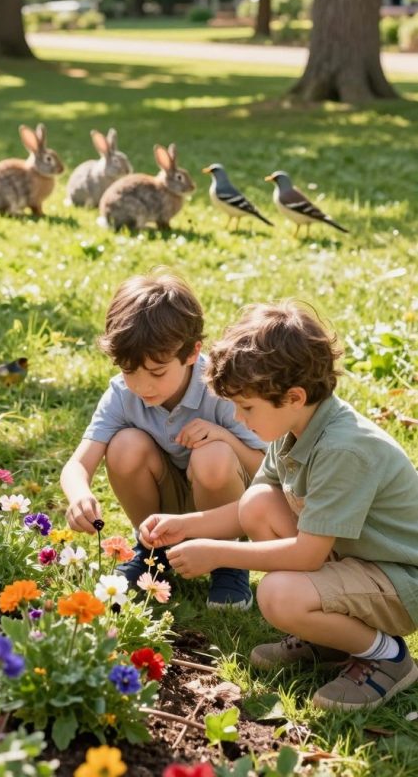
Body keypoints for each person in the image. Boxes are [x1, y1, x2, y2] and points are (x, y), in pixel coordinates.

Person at [140, 301, 418, 711]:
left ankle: (387, 656)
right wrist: (188, 525)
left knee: (277, 594)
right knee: (258, 501)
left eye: (246, 407)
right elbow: (246, 511)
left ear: (294, 396)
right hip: (359, 562)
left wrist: (216, 552)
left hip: (401, 582)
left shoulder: (343, 450)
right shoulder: (293, 427)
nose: (237, 417)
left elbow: (307, 555)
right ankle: (329, 638)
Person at [60, 269, 266, 609]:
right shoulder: (122, 395)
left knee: (211, 454)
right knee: (125, 445)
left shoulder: (222, 388)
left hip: (224, 504)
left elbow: (268, 471)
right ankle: (154, 551)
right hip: (166, 505)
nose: (142, 386)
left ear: (191, 353)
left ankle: (228, 561)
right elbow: (77, 465)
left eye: (157, 372)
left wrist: (223, 437)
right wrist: (79, 495)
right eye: (129, 372)